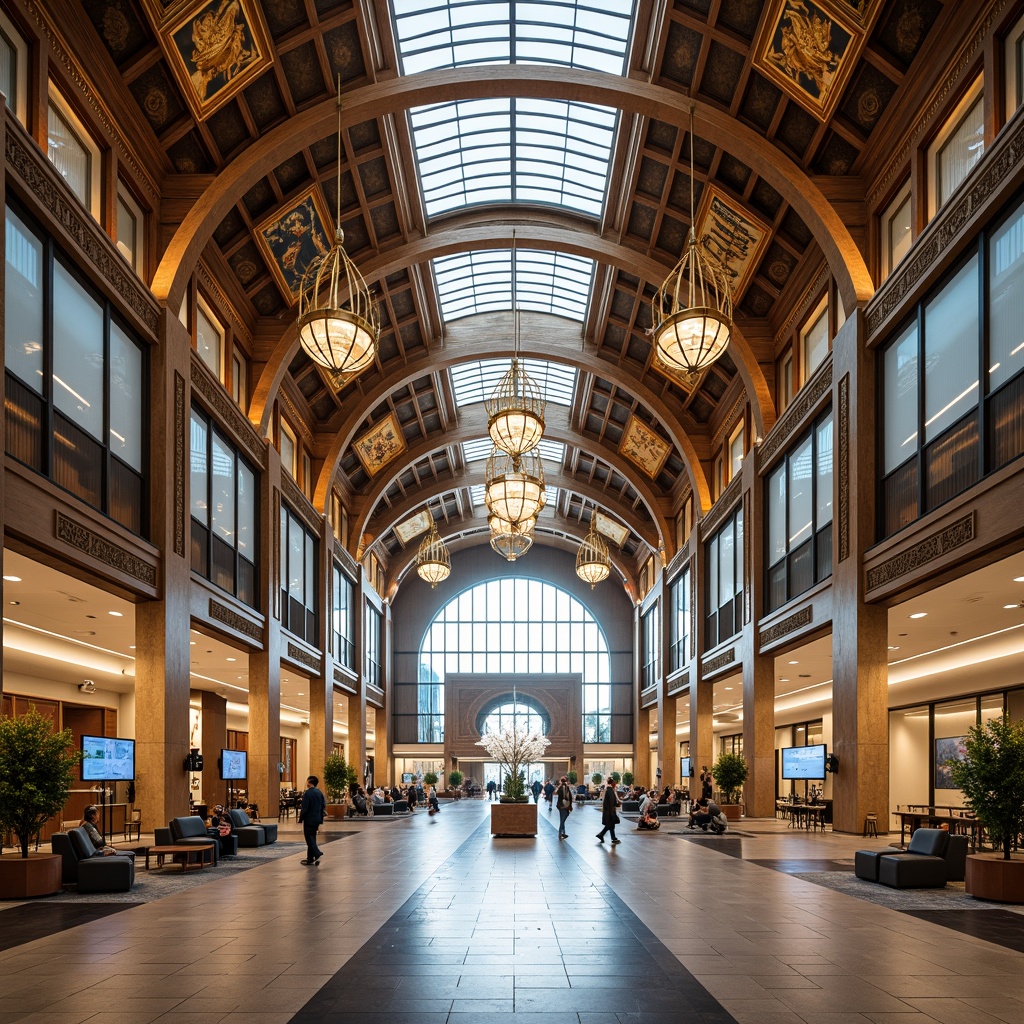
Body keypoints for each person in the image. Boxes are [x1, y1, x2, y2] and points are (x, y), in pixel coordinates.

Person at [298, 775, 327, 866]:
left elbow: (305, 808)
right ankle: (310, 858)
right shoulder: (319, 793)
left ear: (310, 782)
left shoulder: (308, 793)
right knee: (312, 836)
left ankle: (317, 852)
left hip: (309, 819)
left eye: (307, 781)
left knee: (309, 838)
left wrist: (301, 818)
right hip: (317, 818)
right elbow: (323, 805)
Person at [596, 777, 621, 845]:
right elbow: (611, 802)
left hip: (609, 811)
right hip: (610, 811)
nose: (615, 784)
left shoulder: (609, 790)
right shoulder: (610, 791)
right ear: (612, 783)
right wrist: (615, 805)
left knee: (611, 825)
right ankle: (605, 835)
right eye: (614, 783)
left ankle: (611, 837)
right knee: (610, 825)